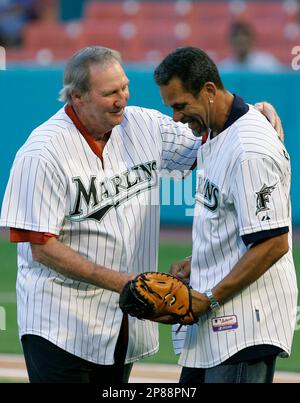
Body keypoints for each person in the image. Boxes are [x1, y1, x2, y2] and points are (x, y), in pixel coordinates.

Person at [0, 45, 284, 384]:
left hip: (124, 323)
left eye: (124, 87)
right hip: (61, 324)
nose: (122, 99)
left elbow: (212, 133)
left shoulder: (143, 125)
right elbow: (41, 245)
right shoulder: (42, 153)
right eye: (109, 93)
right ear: (77, 97)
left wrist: (253, 113)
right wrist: (126, 283)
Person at [154, 46, 297, 383]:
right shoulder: (216, 133)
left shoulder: (250, 149)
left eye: (180, 105)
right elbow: (234, 225)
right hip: (220, 325)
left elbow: (273, 243)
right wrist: (198, 261)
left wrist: (210, 298)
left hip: (245, 326)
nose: (175, 117)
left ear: (208, 91)